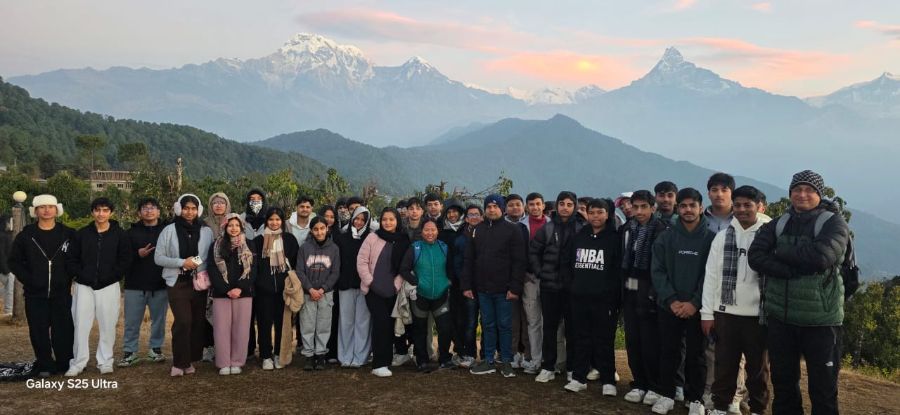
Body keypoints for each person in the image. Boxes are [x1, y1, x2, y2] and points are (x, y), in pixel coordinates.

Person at [749, 170, 849, 415]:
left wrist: (779, 254)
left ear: (819, 194)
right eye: (797, 189)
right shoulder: (780, 223)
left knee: (823, 389)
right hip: (781, 319)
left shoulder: (833, 223)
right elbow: (755, 256)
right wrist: (786, 271)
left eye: (809, 190)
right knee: (783, 385)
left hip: (821, 321)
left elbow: (821, 258)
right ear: (790, 192)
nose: (802, 195)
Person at [701, 186, 772, 415]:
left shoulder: (769, 236)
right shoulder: (723, 237)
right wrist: (707, 313)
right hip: (726, 313)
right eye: (738, 205)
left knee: (758, 370)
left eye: (747, 205)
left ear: (758, 206)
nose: (742, 210)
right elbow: (711, 276)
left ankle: (758, 409)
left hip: (757, 315)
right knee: (725, 366)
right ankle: (720, 407)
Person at [650, 188, 716, 415]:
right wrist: (672, 300)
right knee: (668, 351)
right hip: (669, 306)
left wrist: (694, 303)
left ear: (700, 207)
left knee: (697, 355)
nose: (688, 210)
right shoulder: (665, 237)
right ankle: (666, 394)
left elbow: (711, 275)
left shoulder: (711, 239)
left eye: (692, 205)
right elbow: (657, 271)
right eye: (684, 206)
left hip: (697, 308)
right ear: (678, 208)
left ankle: (695, 398)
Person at [9, 194, 75, 377]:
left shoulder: (68, 234)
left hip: (61, 292)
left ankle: (64, 362)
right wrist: (30, 280)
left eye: (50, 206)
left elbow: (77, 259)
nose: (47, 210)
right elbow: (14, 262)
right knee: (38, 330)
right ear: (36, 211)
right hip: (34, 293)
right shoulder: (26, 235)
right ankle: (45, 364)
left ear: (57, 210)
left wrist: (68, 277)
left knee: (64, 329)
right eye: (42, 207)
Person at [64, 197, 132, 377]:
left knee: (108, 324)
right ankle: (78, 362)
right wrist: (81, 276)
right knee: (80, 324)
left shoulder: (120, 235)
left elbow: (125, 260)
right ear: (92, 212)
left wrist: (111, 277)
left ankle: (105, 361)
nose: (101, 214)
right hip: (83, 286)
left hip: (109, 285)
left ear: (111, 212)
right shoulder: (81, 234)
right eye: (97, 210)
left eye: (105, 210)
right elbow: (71, 260)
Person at [461, 194, 526, 378]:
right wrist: (467, 285)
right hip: (482, 288)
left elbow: (519, 262)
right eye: (488, 206)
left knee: (505, 325)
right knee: (488, 325)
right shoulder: (477, 230)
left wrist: (515, 288)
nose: (492, 209)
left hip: (504, 289)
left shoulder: (513, 230)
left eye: (495, 206)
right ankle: (488, 360)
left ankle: (506, 361)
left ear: (502, 209)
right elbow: (469, 260)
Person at [560, 198, 621, 395]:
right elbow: (567, 262)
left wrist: (611, 294)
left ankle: (608, 380)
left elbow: (618, 269)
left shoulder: (615, 238)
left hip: (604, 300)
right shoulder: (579, 236)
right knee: (580, 338)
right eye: (592, 212)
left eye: (600, 212)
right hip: (578, 297)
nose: (595, 216)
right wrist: (572, 286)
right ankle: (579, 377)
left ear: (608, 214)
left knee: (604, 340)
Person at [155, 194, 213, 377]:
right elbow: (159, 258)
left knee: (196, 322)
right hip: (177, 282)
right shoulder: (169, 230)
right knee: (183, 321)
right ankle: (179, 362)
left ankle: (190, 360)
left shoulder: (206, 231)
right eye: (186, 208)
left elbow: (206, 254)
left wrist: (192, 262)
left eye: (193, 208)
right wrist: (182, 262)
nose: (190, 212)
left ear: (199, 210)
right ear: (179, 209)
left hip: (198, 282)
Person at [620, 190, 668, 406]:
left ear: (652, 208)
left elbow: (662, 265)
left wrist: (654, 292)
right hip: (630, 286)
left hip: (650, 289)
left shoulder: (661, 230)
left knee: (650, 340)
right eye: (635, 207)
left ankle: (654, 385)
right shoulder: (628, 228)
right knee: (633, 338)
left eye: (643, 207)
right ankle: (638, 382)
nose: (638, 211)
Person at [531, 191, 584, 383]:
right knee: (550, 328)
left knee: (573, 330)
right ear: (556, 206)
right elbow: (534, 252)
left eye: (570, 204)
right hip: (549, 287)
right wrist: (540, 272)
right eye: (562, 203)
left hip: (573, 289)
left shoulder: (581, 229)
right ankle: (548, 367)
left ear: (575, 206)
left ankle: (572, 368)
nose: (565, 207)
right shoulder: (547, 228)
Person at [359, 208, 410, 377]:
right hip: (373, 290)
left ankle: (386, 361)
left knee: (389, 325)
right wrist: (371, 282)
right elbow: (362, 261)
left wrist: (395, 286)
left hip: (392, 290)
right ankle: (379, 363)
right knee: (381, 323)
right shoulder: (372, 237)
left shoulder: (403, 240)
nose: (388, 223)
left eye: (391, 219)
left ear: (397, 221)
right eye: (385, 219)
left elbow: (405, 267)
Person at [399, 218, 455, 371]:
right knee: (419, 329)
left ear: (438, 231)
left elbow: (451, 268)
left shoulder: (444, 248)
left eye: (433, 230)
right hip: (420, 296)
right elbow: (403, 269)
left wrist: (448, 282)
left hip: (441, 295)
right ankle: (422, 360)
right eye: (426, 230)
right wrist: (417, 282)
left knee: (445, 329)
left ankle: (444, 358)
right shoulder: (415, 248)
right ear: (421, 232)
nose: (430, 233)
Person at [119, 197, 168, 367]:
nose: (149, 210)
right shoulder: (129, 233)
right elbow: (122, 258)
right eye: (145, 208)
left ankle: (155, 349)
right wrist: (137, 254)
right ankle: (130, 351)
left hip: (160, 285)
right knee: (132, 321)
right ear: (139, 212)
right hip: (134, 285)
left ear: (159, 211)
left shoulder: (166, 231)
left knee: (159, 321)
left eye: (153, 207)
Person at [208, 214, 256, 375]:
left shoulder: (249, 245)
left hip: (243, 294)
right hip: (222, 294)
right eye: (230, 225)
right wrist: (226, 289)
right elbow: (212, 269)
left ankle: (237, 361)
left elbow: (253, 271)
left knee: (241, 329)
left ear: (241, 227)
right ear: (225, 228)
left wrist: (240, 288)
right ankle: (223, 362)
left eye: (237, 225)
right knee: (221, 329)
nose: (234, 228)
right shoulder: (216, 245)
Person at [253, 207, 299, 370]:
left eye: (277, 219)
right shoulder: (258, 241)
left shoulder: (290, 240)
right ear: (266, 221)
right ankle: (266, 355)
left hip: (283, 291)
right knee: (264, 324)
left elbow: (294, 264)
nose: (274, 223)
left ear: (282, 221)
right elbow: (255, 266)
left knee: (283, 324)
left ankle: (280, 353)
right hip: (263, 291)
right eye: (271, 219)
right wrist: (259, 283)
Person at [297, 217, 341, 370]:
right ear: (311, 231)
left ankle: (321, 354)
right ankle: (309, 355)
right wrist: (310, 289)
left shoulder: (334, 249)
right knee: (307, 324)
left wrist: (322, 289)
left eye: (322, 228)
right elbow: (300, 271)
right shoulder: (304, 248)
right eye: (316, 229)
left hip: (326, 294)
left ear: (327, 229)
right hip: (308, 293)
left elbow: (335, 272)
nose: (319, 232)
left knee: (323, 325)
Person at [335, 206, 373, 368]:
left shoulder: (371, 238)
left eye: (362, 220)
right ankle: (345, 356)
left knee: (363, 322)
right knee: (346, 322)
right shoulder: (342, 237)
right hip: (345, 285)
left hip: (364, 286)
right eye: (356, 218)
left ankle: (360, 357)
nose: (358, 222)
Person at [520, 192, 548, 375]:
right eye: (531, 204)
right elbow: (517, 252)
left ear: (543, 205)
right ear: (527, 207)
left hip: (550, 279)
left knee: (552, 321)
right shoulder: (521, 227)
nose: (535, 207)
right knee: (533, 321)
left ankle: (552, 360)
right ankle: (536, 359)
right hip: (529, 279)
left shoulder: (552, 225)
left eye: (538, 204)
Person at [452, 204, 483, 368]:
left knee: (487, 322)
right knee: (469, 323)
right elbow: (458, 266)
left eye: (477, 214)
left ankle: (486, 354)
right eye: (471, 215)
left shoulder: (488, 235)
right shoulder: (461, 239)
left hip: (486, 287)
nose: (474, 217)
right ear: (466, 218)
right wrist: (465, 285)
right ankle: (469, 353)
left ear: (482, 217)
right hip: (469, 288)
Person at [202, 192, 232, 361]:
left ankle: (225, 347)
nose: (219, 205)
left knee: (224, 314)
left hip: (228, 275)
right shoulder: (204, 224)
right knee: (208, 312)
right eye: (215, 202)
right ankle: (209, 348)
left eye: (222, 202)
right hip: (206, 272)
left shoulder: (233, 223)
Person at [503, 193, 531, 370]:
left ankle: (528, 354)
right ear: (505, 208)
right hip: (507, 280)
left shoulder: (527, 226)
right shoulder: (501, 226)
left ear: (523, 207)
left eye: (518, 204)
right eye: (511, 205)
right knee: (512, 320)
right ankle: (513, 352)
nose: (514, 207)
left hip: (528, 278)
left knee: (528, 318)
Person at [0, 214, 14, 316]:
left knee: (8, 288)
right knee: (10, 288)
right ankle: (8, 310)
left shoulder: (8, 235)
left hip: (7, 267)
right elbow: (1, 253)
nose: (11, 224)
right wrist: (6, 269)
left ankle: (8, 309)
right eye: (9, 221)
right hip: (4, 268)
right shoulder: (2, 236)